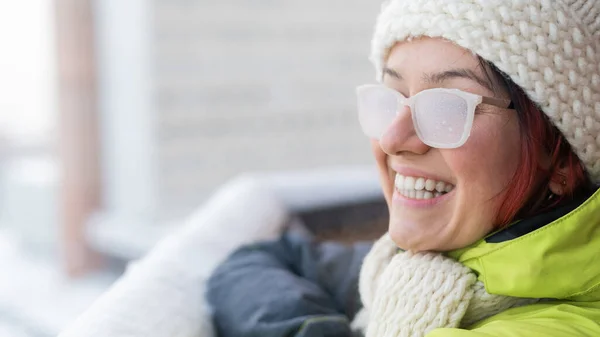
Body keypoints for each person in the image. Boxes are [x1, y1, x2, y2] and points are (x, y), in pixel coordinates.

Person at [206, 0, 600, 336]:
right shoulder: (417, 271)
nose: (393, 139)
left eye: (447, 106)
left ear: (559, 157)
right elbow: (254, 262)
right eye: (392, 96)